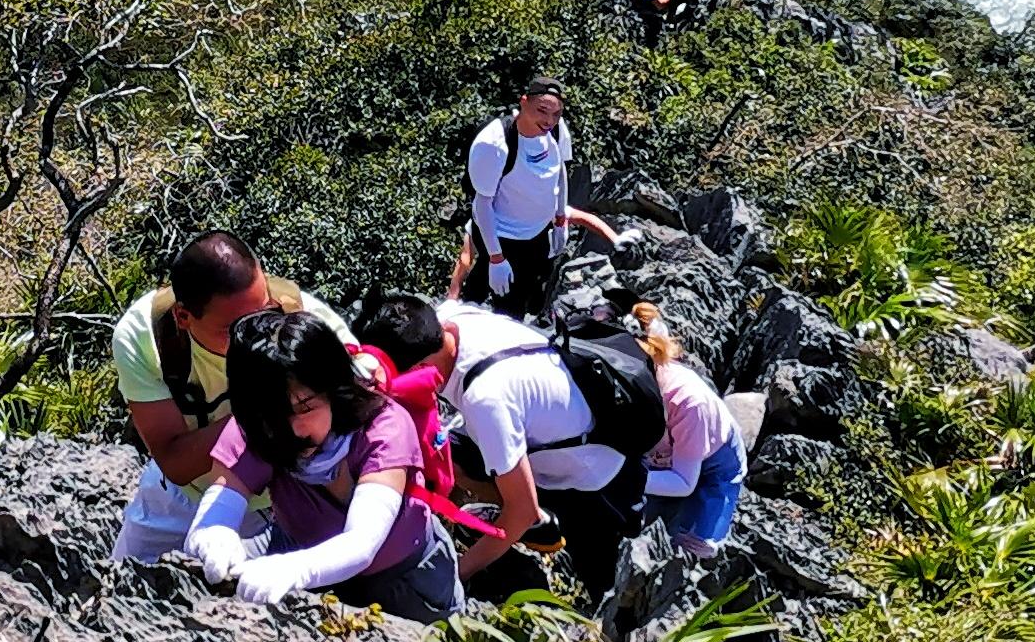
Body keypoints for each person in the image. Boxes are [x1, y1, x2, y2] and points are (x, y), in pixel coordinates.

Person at [178, 311, 461, 621]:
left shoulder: (384, 426)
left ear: (333, 388)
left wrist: (296, 570)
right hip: (297, 548)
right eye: (274, 415)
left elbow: (362, 542)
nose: (293, 429)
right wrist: (214, 535)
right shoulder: (258, 427)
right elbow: (222, 501)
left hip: (404, 578)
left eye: (306, 407)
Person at [354, 291, 642, 595]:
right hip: (553, 432)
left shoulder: (486, 399)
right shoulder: (454, 323)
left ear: (414, 371)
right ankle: (523, 505)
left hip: (592, 482)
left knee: (597, 582)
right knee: (452, 452)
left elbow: (522, 510)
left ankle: (546, 524)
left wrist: (456, 575)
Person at [109, 231, 350, 563]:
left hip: (281, 502)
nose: (258, 331)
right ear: (184, 317)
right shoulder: (147, 338)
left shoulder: (294, 311)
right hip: (182, 498)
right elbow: (175, 462)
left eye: (265, 310)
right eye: (235, 328)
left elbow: (363, 370)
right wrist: (265, 411)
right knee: (124, 590)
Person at [458, 79, 617, 320]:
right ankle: (468, 321)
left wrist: (561, 220)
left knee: (521, 294)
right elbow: (482, 203)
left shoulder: (555, 129)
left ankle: (477, 306)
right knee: (502, 299)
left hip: (537, 233)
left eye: (556, 113)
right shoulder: (495, 143)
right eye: (542, 110)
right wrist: (496, 256)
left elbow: (560, 171)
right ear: (524, 102)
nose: (549, 120)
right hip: (502, 233)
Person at [628, 301, 745, 560]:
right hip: (660, 455)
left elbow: (683, 482)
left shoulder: (689, 402)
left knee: (695, 549)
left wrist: (622, 479)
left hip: (714, 462)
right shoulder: (635, 385)